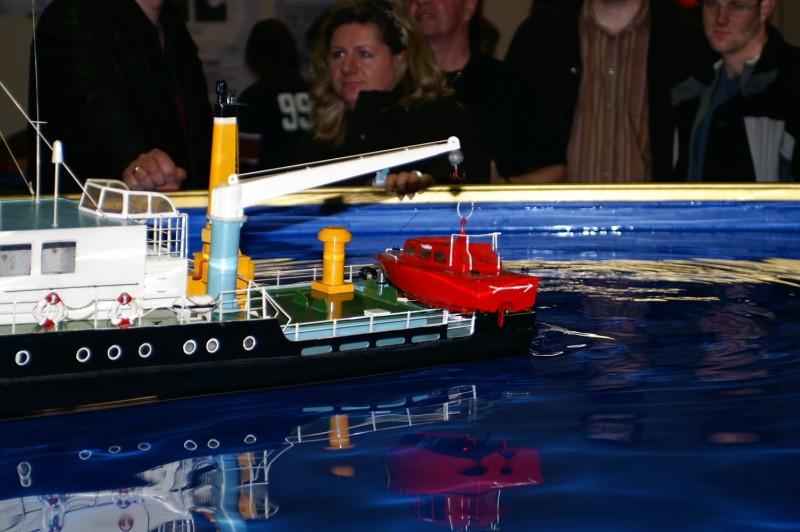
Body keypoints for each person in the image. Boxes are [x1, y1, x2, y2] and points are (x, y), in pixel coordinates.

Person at [299, 0, 490, 199]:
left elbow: (464, 182)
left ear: (399, 61)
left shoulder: (438, 119)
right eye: (338, 54)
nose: (347, 67)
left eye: (364, 54)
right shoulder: (323, 134)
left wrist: (427, 184)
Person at [505, 0, 709, 182]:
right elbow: (511, 136)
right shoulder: (539, 34)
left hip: (654, 210)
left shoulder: (687, 39)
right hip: (555, 210)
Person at [29, 0, 213, 193]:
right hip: (101, 210)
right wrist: (141, 170)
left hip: (177, 208)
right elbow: (96, 136)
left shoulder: (172, 25)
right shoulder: (73, 21)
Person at [403, 0, 565, 184]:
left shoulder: (508, 85)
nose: (421, 1)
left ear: (469, 7)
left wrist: (503, 187)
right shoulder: (391, 84)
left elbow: (556, 170)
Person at [671, 0, 800, 181]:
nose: (721, 18)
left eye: (737, 6)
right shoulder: (690, 86)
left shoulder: (791, 83)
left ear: (765, 8)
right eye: (712, 4)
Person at [237, 19, 311, 173]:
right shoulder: (315, 91)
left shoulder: (253, 98)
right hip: (314, 180)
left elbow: (246, 161)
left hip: (270, 183)